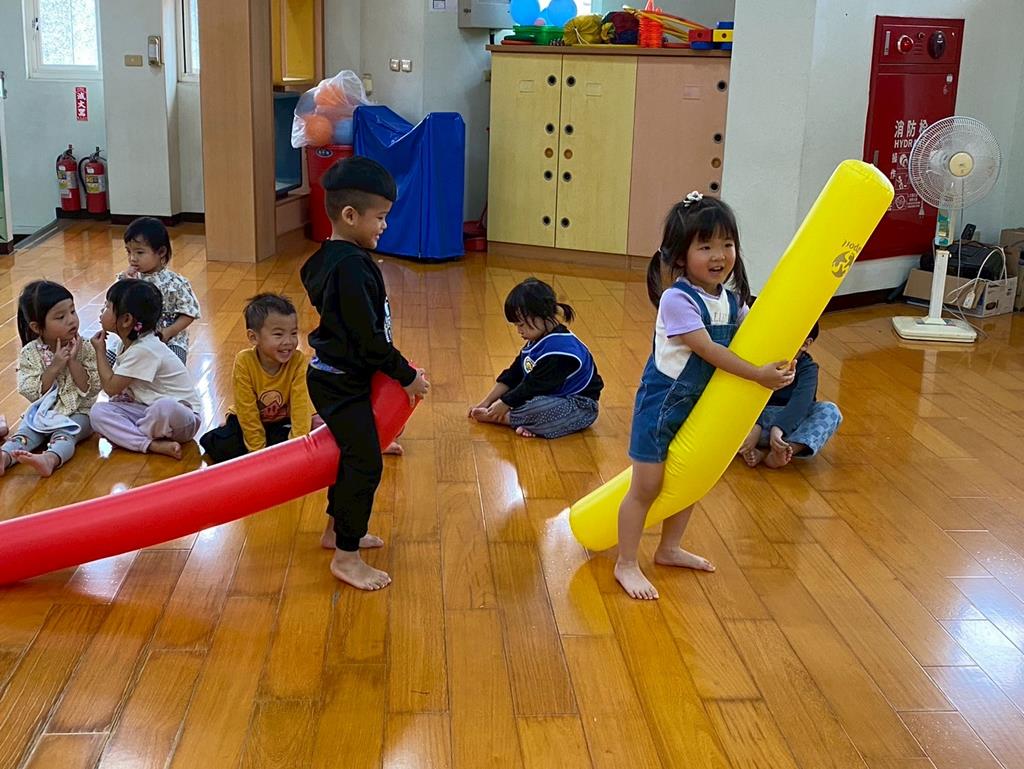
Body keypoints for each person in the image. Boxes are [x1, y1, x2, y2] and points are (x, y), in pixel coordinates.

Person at [616, 191, 795, 600]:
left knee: (690, 479)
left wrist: (784, 360)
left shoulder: (732, 302)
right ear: (680, 256)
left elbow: (759, 337)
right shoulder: (677, 299)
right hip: (661, 408)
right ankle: (625, 562)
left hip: (699, 406)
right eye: (706, 246)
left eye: (727, 244)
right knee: (647, 487)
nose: (719, 255)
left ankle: (668, 548)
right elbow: (708, 350)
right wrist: (758, 375)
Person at [301, 156, 430, 591]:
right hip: (340, 383)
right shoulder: (352, 267)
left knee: (354, 454)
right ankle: (346, 556)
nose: (385, 226)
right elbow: (369, 341)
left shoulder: (332, 257)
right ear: (350, 215)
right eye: (380, 217)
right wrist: (406, 375)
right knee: (365, 462)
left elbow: (310, 277)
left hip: (334, 375)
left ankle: (336, 531)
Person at [469, 277, 603, 438]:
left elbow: (533, 386)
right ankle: (528, 424)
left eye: (521, 325)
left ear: (542, 316)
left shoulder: (560, 353)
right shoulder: (536, 339)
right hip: (548, 393)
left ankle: (504, 418)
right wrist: (487, 402)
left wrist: (504, 404)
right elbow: (514, 374)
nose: (519, 331)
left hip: (580, 407)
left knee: (539, 407)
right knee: (527, 400)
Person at [89, 280, 201, 459]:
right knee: (98, 412)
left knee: (164, 406)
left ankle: (129, 437)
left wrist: (100, 351)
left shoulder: (145, 349)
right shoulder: (125, 345)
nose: (102, 310)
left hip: (182, 420)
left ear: (126, 320)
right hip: (147, 413)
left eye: (107, 306)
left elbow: (110, 387)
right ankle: (150, 444)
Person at [1, 281, 100, 477]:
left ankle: (50, 459)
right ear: (37, 327)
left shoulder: (85, 347)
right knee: (24, 433)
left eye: (72, 311)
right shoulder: (30, 352)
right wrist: (54, 366)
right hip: (43, 412)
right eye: (61, 317)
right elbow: (32, 391)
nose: (71, 320)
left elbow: (91, 388)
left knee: (65, 435)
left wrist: (73, 362)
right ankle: (5, 457)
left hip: (80, 413)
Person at [199, 293, 314, 463]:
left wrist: (295, 447)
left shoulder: (298, 361)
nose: (289, 341)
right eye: (278, 334)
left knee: (307, 433)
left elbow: (300, 406)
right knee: (222, 445)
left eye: (293, 333)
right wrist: (258, 453)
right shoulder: (244, 362)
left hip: (282, 420)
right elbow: (247, 411)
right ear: (254, 337)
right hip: (247, 419)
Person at [738, 321, 842, 468]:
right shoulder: (761, 358)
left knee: (831, 411)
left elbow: (801, 403)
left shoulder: (808, 369)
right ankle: (752, 448)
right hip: (752, 423)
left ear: (805, 344)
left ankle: (782, 451)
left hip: (785, 430)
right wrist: (757, 425)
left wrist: (779, 428)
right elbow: (745, 394)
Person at [113, 217, 201, 365]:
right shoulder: (128, 279)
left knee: (174, 365)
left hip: (170, 340)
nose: (132, 258)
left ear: (161, 252)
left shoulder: (175, 283)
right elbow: (113, 303)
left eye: (140, 252)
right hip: (134, 339)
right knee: (110, 360)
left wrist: (168, 332)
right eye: (128, 252)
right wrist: (125, 284)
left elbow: (189, 313)